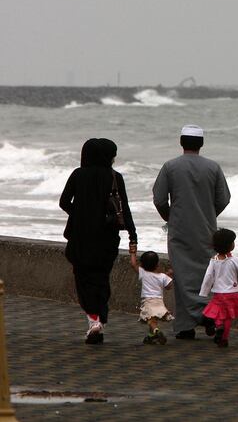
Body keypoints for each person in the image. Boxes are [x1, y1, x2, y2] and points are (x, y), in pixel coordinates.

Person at [152, 125, 231, 340]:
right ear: (201, 144)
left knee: (183, 275)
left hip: (179, 230)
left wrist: (171, 217)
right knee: (208, 275)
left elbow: (159, 199)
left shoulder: (170, 167)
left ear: (181, 142)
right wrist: (208, 214)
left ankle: (186, 326)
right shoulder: (213, 167)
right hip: (207, 229)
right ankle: (210, 316)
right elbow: (224, 198)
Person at [60, 138, 137, 344]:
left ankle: (93, 320)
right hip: (106, 237)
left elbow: (64, 202)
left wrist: (80, 215)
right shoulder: (115, 176)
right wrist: (132, 235)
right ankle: (100, 317)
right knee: (101, 278)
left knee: (83, 279)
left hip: (80, 237)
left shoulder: (78, 175)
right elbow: (124, 208)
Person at [129, 250, 174, 345]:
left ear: (142, 264)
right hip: (159, 301)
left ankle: (156, 331)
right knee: (153, 319)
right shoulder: (162, 276)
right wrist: (170, 275)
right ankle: (151, 336)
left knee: (150, 320)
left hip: (148, 301)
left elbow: (133, 264)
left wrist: (132, 253)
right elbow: (168, 287)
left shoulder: (143, 274)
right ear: (157, 264)